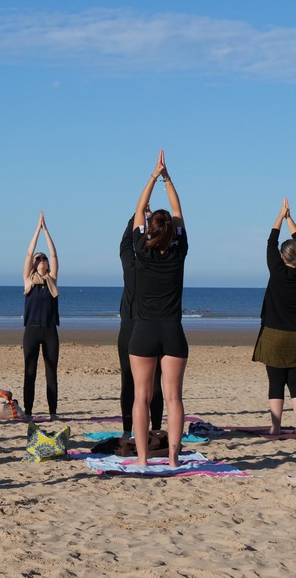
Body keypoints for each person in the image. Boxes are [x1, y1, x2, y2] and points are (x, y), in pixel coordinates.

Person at [129, 150, 188, 467]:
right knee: (174, 398)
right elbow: (177, 210)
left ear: (151, 230)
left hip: (144, 330)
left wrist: (153, 176)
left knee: (142, 397)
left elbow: (138, 210)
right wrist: (168, 178)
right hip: (173, 331)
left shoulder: (141, 249)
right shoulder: (179, 249)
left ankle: (142, 459)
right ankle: (173, 459)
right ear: (171, 231)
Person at [253, 198, 296, 435]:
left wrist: (280, 216)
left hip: (274, 334)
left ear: (281, 256)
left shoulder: (276, 270)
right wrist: (290, 219)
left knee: (276, 383)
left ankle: (275, 427)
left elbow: (271, 241)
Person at [118, 213, 164, 439]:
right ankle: (155, 429)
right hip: (151, 326)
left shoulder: (131, 266)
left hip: (131, 326)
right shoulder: (157, 265)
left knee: (129, 380)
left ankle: (128, 430)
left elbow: (125, 242)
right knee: (154, 381)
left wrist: (136, 216)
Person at [23, 212, 59, 419]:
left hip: (50, 330)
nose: (42, 259)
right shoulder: (28, 280)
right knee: (30, 373)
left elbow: (54, 255)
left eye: (43, 258)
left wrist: (47, 232)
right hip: (32, 330)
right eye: (39, 258)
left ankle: (53, 412)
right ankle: (28, 412)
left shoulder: (52, 280)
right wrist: (37, 229)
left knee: (51, 373)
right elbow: (28, 255)